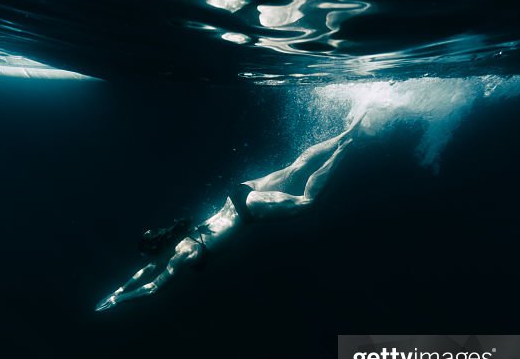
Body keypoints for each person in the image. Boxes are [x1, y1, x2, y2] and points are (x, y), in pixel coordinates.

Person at [94, 110, 365, 312]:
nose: (151, 263)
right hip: (237, 193)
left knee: (307, 202)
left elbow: (153, 286)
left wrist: (119, 300)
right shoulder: (175, 238)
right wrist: (118, 290)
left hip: (247, 210)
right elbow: (147, 270)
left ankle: (343, 149)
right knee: (294, 166)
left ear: (159, 250)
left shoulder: (183, 254)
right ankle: (348, 130)